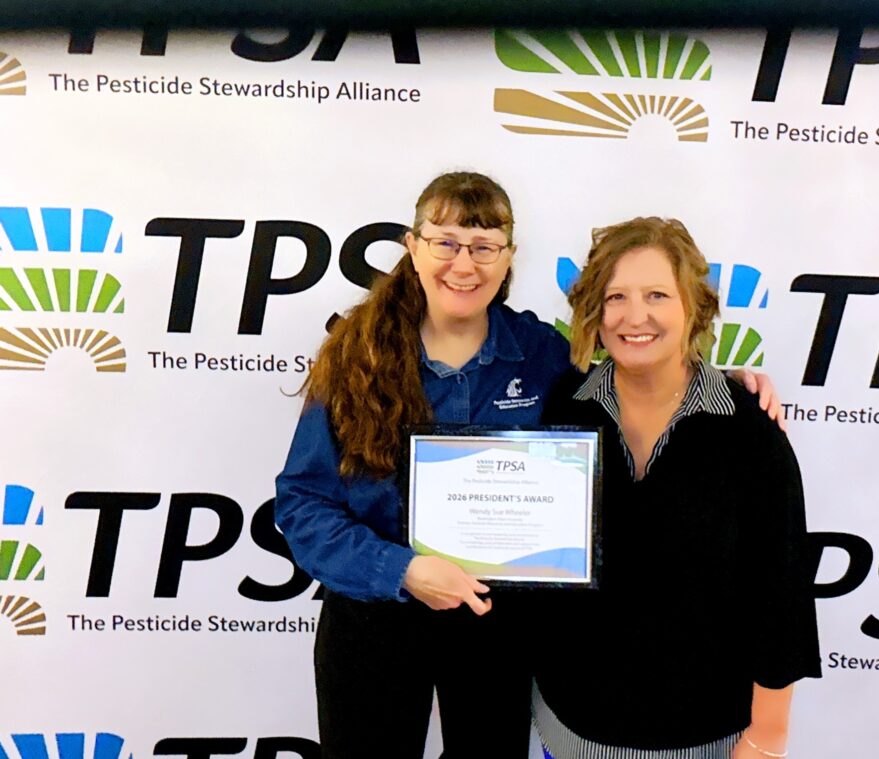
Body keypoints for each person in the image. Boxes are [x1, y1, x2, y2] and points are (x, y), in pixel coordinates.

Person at [275, 173, 783, 759]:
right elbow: (303, 503)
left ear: (508, 258)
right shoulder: (354, 356)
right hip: (374, 612)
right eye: (445, 242)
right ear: (413, 247)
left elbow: (629, 376)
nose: (464, 264)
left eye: (484, 246)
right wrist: (402, 571)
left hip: (498, 623)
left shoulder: (542, 353)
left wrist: (721, 385)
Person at [534, 217, 821, 759]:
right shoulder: (563, 410)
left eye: (657, 295)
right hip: (568, 728)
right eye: (615, 296)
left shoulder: (748, 431)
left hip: (704, 738)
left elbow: (779, 596)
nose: (634, 316)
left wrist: (767, 737)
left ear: (693, 309)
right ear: (595, 313)